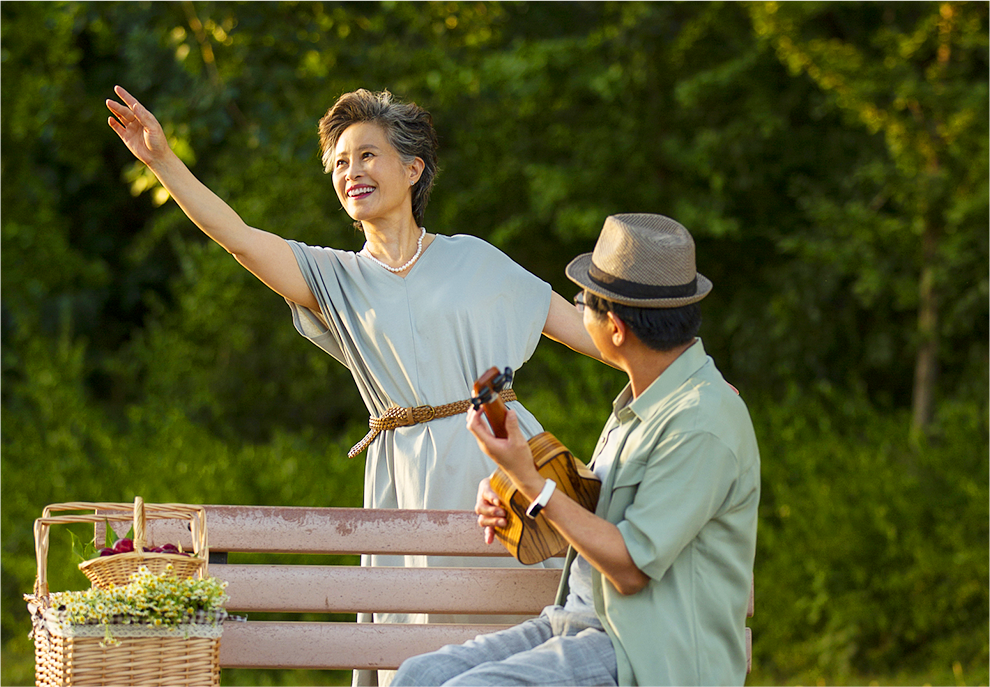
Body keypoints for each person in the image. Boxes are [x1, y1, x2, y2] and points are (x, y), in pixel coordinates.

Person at [106, 85, 603, 686]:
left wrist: (679, 376)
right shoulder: (335, 277)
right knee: (412, 652)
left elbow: (592, 334)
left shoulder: (476, 259)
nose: (351, 171)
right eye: (340, 162)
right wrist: (162, 161)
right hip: (405, 476)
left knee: (516, 647)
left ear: (413, 169)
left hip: (501, 462)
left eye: (367, 154)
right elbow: (237, 236)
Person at [392, 213, 761, 687]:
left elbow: (631, 568)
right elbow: (603, 517)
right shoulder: (645, 401)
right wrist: (515, 490)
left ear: (616, 327)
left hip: (646, 651)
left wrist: (534, 483)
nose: (577, 308)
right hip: (577, 622)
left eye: (584, 301)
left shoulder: (700, 422)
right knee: (419, 676)